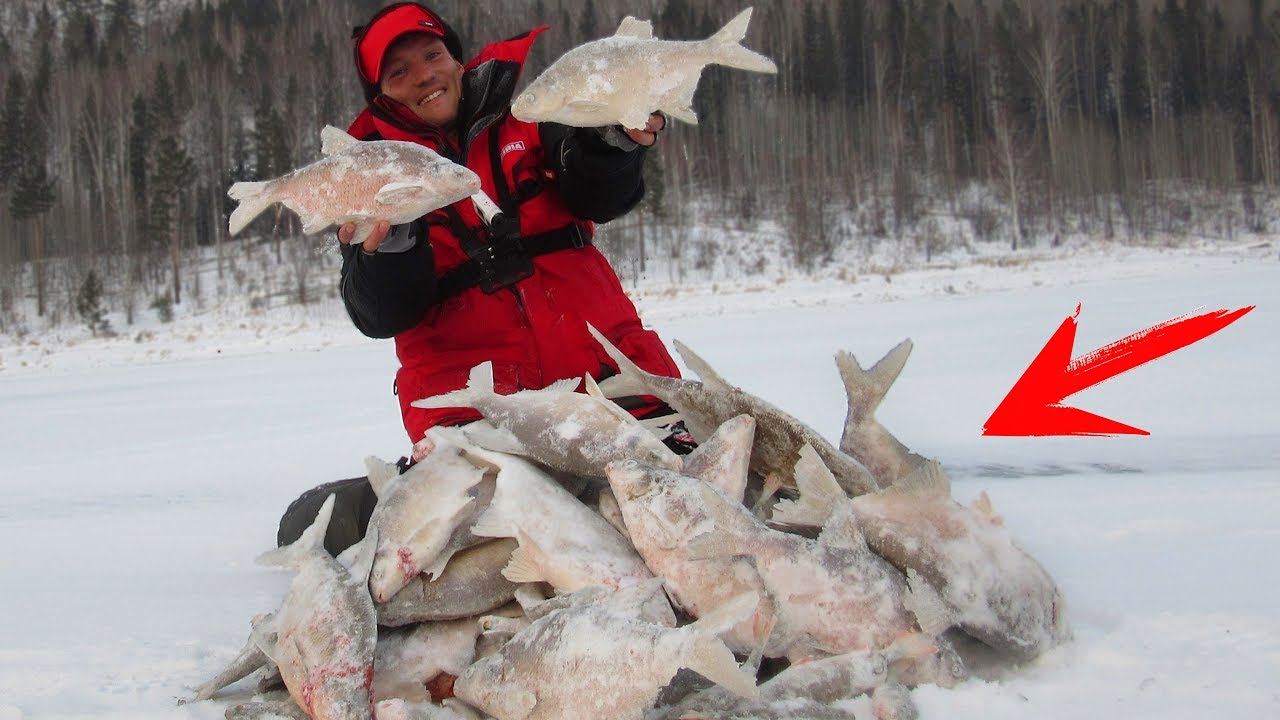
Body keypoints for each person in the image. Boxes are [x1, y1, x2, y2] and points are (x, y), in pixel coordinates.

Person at [278, 2, 693, 553]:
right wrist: (394, 242)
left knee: (712, 489)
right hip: (481, 430)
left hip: (615, 394)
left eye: (432, 55)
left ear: (457, 59)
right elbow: (379, 313)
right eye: (398, 71)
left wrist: (614, 143)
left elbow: (597, 191)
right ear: (381, 97)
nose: (424, 74)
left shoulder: (529, 115)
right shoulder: (367, 175)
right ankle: (404, 500)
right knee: (310, 527)